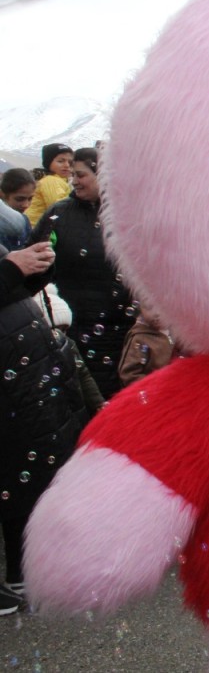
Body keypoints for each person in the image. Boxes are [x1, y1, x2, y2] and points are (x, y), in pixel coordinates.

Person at [1, 239, 99, 617]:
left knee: (21, 477)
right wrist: (11, 269)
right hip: (13, 379)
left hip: (23, 378)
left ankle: (21, 570)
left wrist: (36, 269)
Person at [29, 148, 135, 401]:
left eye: (81, 175)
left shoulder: (129, 214)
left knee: (115, 397)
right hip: (73, 325)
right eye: (73, 175)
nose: (74, 180)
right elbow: (33, 265)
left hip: (120, 328)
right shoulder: (59, 214)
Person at [118, 300, 178, 388]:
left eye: (162, 308)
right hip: (152, 390)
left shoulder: (173, 332)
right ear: (140, 310)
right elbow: (129, 375)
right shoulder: (139, 337)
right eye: (149, 308)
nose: (157, 313)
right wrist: (155, 387)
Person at [23, 143, 73, 227]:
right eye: (60, 161)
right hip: (35, 227)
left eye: (70, 162)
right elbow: (59, 209)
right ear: (48, 163)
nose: (67, 165)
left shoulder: (60, 180)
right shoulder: (51, 181)